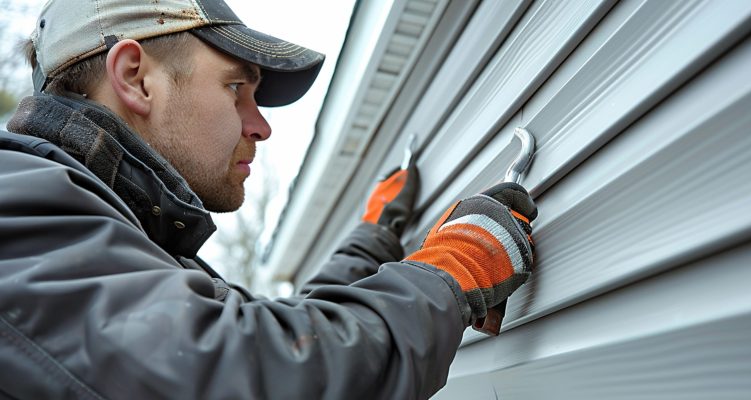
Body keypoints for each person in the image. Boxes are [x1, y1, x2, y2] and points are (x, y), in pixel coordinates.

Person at [0, 0, 538, 399]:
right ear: (135, 78)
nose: (260, 127)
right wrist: (451, 272)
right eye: (238, 87)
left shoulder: (109, 235)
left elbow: (282, 333)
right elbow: (251, 373)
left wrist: (374, 235)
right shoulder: (16, 200)